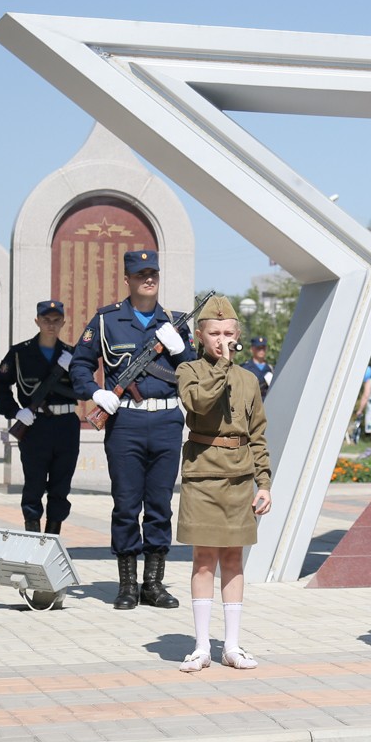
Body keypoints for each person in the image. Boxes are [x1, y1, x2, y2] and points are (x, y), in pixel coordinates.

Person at [70, 249, 194, 610]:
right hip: (125, 422)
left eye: (152, 273)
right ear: (128, 279)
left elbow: (194, 371)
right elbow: (80, 364)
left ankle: (152, 584)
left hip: (168, 421)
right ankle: (127, 584)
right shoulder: (107, 320)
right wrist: (95, 392)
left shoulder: (174, 322)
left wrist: (182, 348)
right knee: (126, 505)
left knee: (159, 505)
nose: (148, 279)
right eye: (141, 274)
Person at [175, 296, 273, 673]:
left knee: (233, 560)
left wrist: (263, 482)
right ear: (200, 336)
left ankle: (231, 645)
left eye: (229, 333)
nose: (222, 340)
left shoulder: (248, 380)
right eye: (214, 333)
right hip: (203, 474)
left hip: (238, 477)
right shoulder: (189, 370)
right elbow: (199, 403)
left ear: (238, 334)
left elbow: (259, 434)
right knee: (203, 560)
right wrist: (221, 367)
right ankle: (202, 647)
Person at [0, 300, 81, 534]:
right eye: (45, 320)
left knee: (61, 484)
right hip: (35, 425)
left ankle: (52, 536)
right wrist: (15, 412)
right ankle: (32, 534)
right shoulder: (20, 353)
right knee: (34, 483)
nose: (51, 325)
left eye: (55, 320)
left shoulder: (72, 355)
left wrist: (74, 368)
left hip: (66, 425)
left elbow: (84, 389)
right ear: (37, 321)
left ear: (63, 322)